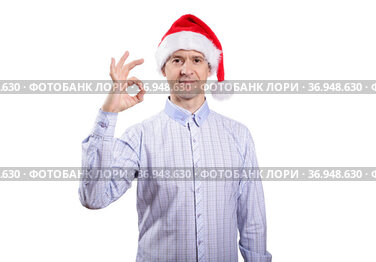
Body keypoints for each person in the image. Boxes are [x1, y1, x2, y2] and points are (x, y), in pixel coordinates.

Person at [79, 14, 272, 262]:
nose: (186, 69)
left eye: (197, 59)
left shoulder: (238, 135)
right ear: (164, 68)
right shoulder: (140, 136)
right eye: (177, 59)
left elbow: (252, 220)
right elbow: (93, 198)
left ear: (209, 68)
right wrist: (109, 111)